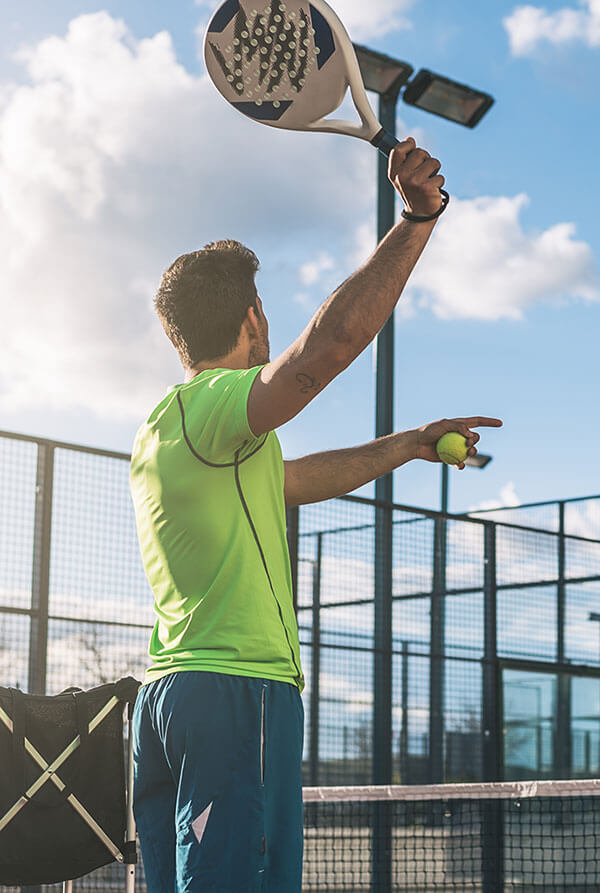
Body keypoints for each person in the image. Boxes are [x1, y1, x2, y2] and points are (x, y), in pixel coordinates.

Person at [129, 139, 502, 893]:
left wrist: (407, 444)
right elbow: (324, 351)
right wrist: (417, 220)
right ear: (254, 316)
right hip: (239, 694)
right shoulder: (222, 409)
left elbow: (293, 480)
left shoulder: (167, 429)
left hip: (169, 701)